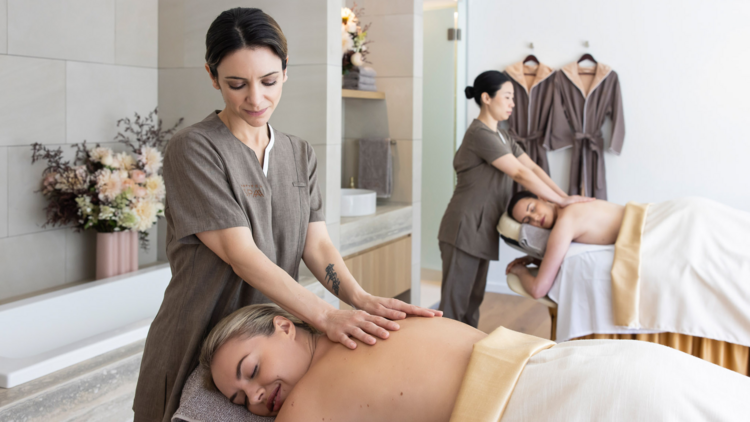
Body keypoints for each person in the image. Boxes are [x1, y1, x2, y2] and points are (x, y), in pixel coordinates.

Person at [132, 8, 439, 422]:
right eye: (236, 84)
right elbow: (241, 255)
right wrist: (325, 315)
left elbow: (317, 244)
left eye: (269, 81)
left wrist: (360, 299)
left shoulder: (298, 153)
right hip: (198, 337)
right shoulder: (195, 148)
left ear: (286, 70)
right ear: (212, 76)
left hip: (268, 351)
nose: (256, 99)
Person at [201, 303, 750, 422]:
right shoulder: (379, 315)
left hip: (558, 401)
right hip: (602, 366)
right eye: (240, 401)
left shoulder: (305, 406)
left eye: (251, 371)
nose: (256, 397)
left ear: (284, 325)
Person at [437, 70, 593, 327]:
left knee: (472, 303)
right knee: (454, 307)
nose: (512, 103)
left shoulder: (503, 136)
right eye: (507, 97)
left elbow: (532, 167)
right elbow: (520, 173)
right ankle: (442, 351)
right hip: (463, 227)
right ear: (486, 98)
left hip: (482, 229)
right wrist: (560, 202)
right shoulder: (479, 134)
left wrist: (564, 198)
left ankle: (466, 349)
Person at [504, 191, 624, 299]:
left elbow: (538, 290)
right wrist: (531, 259)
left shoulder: (564, 224)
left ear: (542, 198)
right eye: (527, 221)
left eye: (532, 209)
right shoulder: (572, 204)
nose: (535, 218)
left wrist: (519, 271)